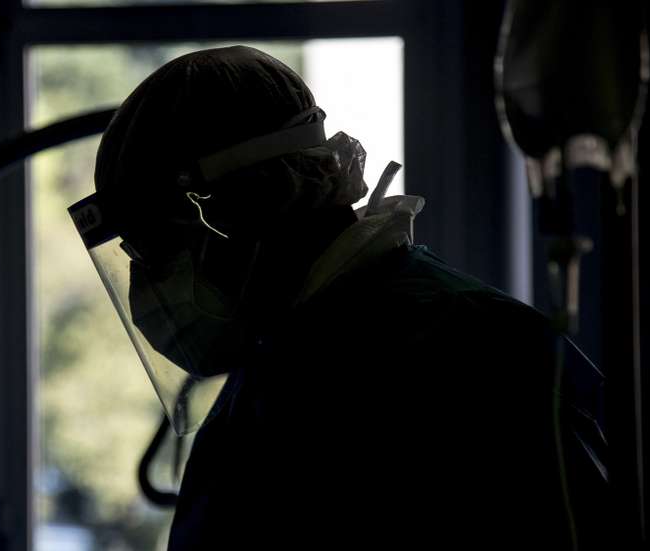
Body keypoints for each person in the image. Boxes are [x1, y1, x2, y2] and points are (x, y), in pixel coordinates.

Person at [69, 45, 608, 550]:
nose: (148, 285)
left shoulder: (469, 351)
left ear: (242, 207)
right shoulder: (290, 356)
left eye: (155, 249)